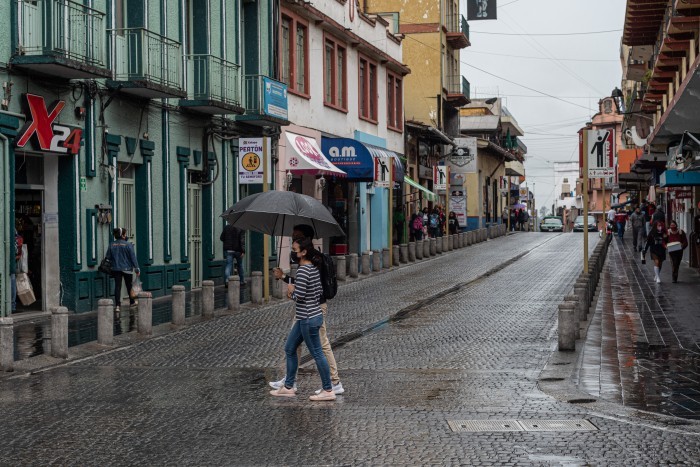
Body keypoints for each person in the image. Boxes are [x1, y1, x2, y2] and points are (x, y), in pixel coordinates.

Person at [270, 225, 344, 395]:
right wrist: (284, 277)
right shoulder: (307, 262)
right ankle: (290, 381)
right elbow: (303, 283)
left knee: (321, 347)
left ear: (305, 242)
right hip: (307, 310)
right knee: (292, 346)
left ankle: (333, 383)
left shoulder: (314, 260)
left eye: (297, 238)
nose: (293, 241)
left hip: (313, 310)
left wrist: (292, 292)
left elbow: (305, 289)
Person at [106, 227, 140, 312]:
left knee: (117, 287)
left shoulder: (111, 244)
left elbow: (108, 257)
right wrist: (137, 269)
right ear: (123, 235)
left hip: (116, 268)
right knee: (129, 286)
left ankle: (117, 305)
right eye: (125, 234)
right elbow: (133, 258)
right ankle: (132, 302)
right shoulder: (128, 245)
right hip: (127, 268)